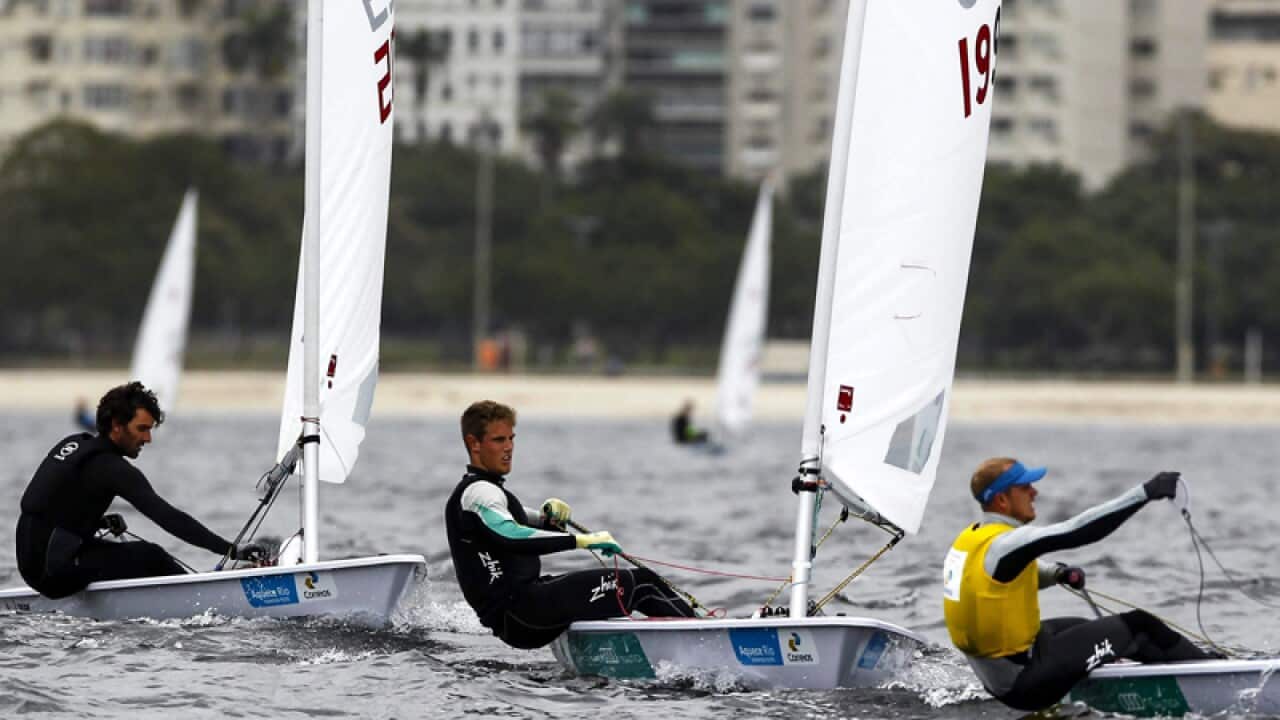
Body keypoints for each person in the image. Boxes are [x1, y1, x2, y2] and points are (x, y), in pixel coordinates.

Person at [942, 457, 1218, 712]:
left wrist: (1057, 574)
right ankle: (1212, 676)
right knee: (1139, 626)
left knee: (1079, 625)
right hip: (1024, 685)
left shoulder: (971, 540)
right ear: (1002, 500)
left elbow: (994, 583)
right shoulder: (1007, 544)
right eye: (1025, 487)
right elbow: (1078, 530)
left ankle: (1159, 671)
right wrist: (1145, 493)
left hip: (998, 677)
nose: (1034, 493)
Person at [446, 400, 697, 649]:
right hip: (523, 611)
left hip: (520, 614)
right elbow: (512, 535)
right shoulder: (479, 493)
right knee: (642, 583)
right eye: (499, 440)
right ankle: (704, 638)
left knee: (627, 586)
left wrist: (550, 519)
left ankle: (645, 648)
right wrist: (582, 541)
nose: (509, 448)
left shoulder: (483, 493)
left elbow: (523, 522)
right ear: (474, 444)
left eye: (512, 438)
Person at [16, 381, 264, 599]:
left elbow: (50, 509)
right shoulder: (113, 468)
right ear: (117, 425)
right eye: (141, 429)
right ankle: (201, 600)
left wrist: (99, 521)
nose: (148, 439)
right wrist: (231, 550)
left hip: (32, 565)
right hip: (52, 573)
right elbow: (168, 517)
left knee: (126, 556)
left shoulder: (75, 444)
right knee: (150, 556)